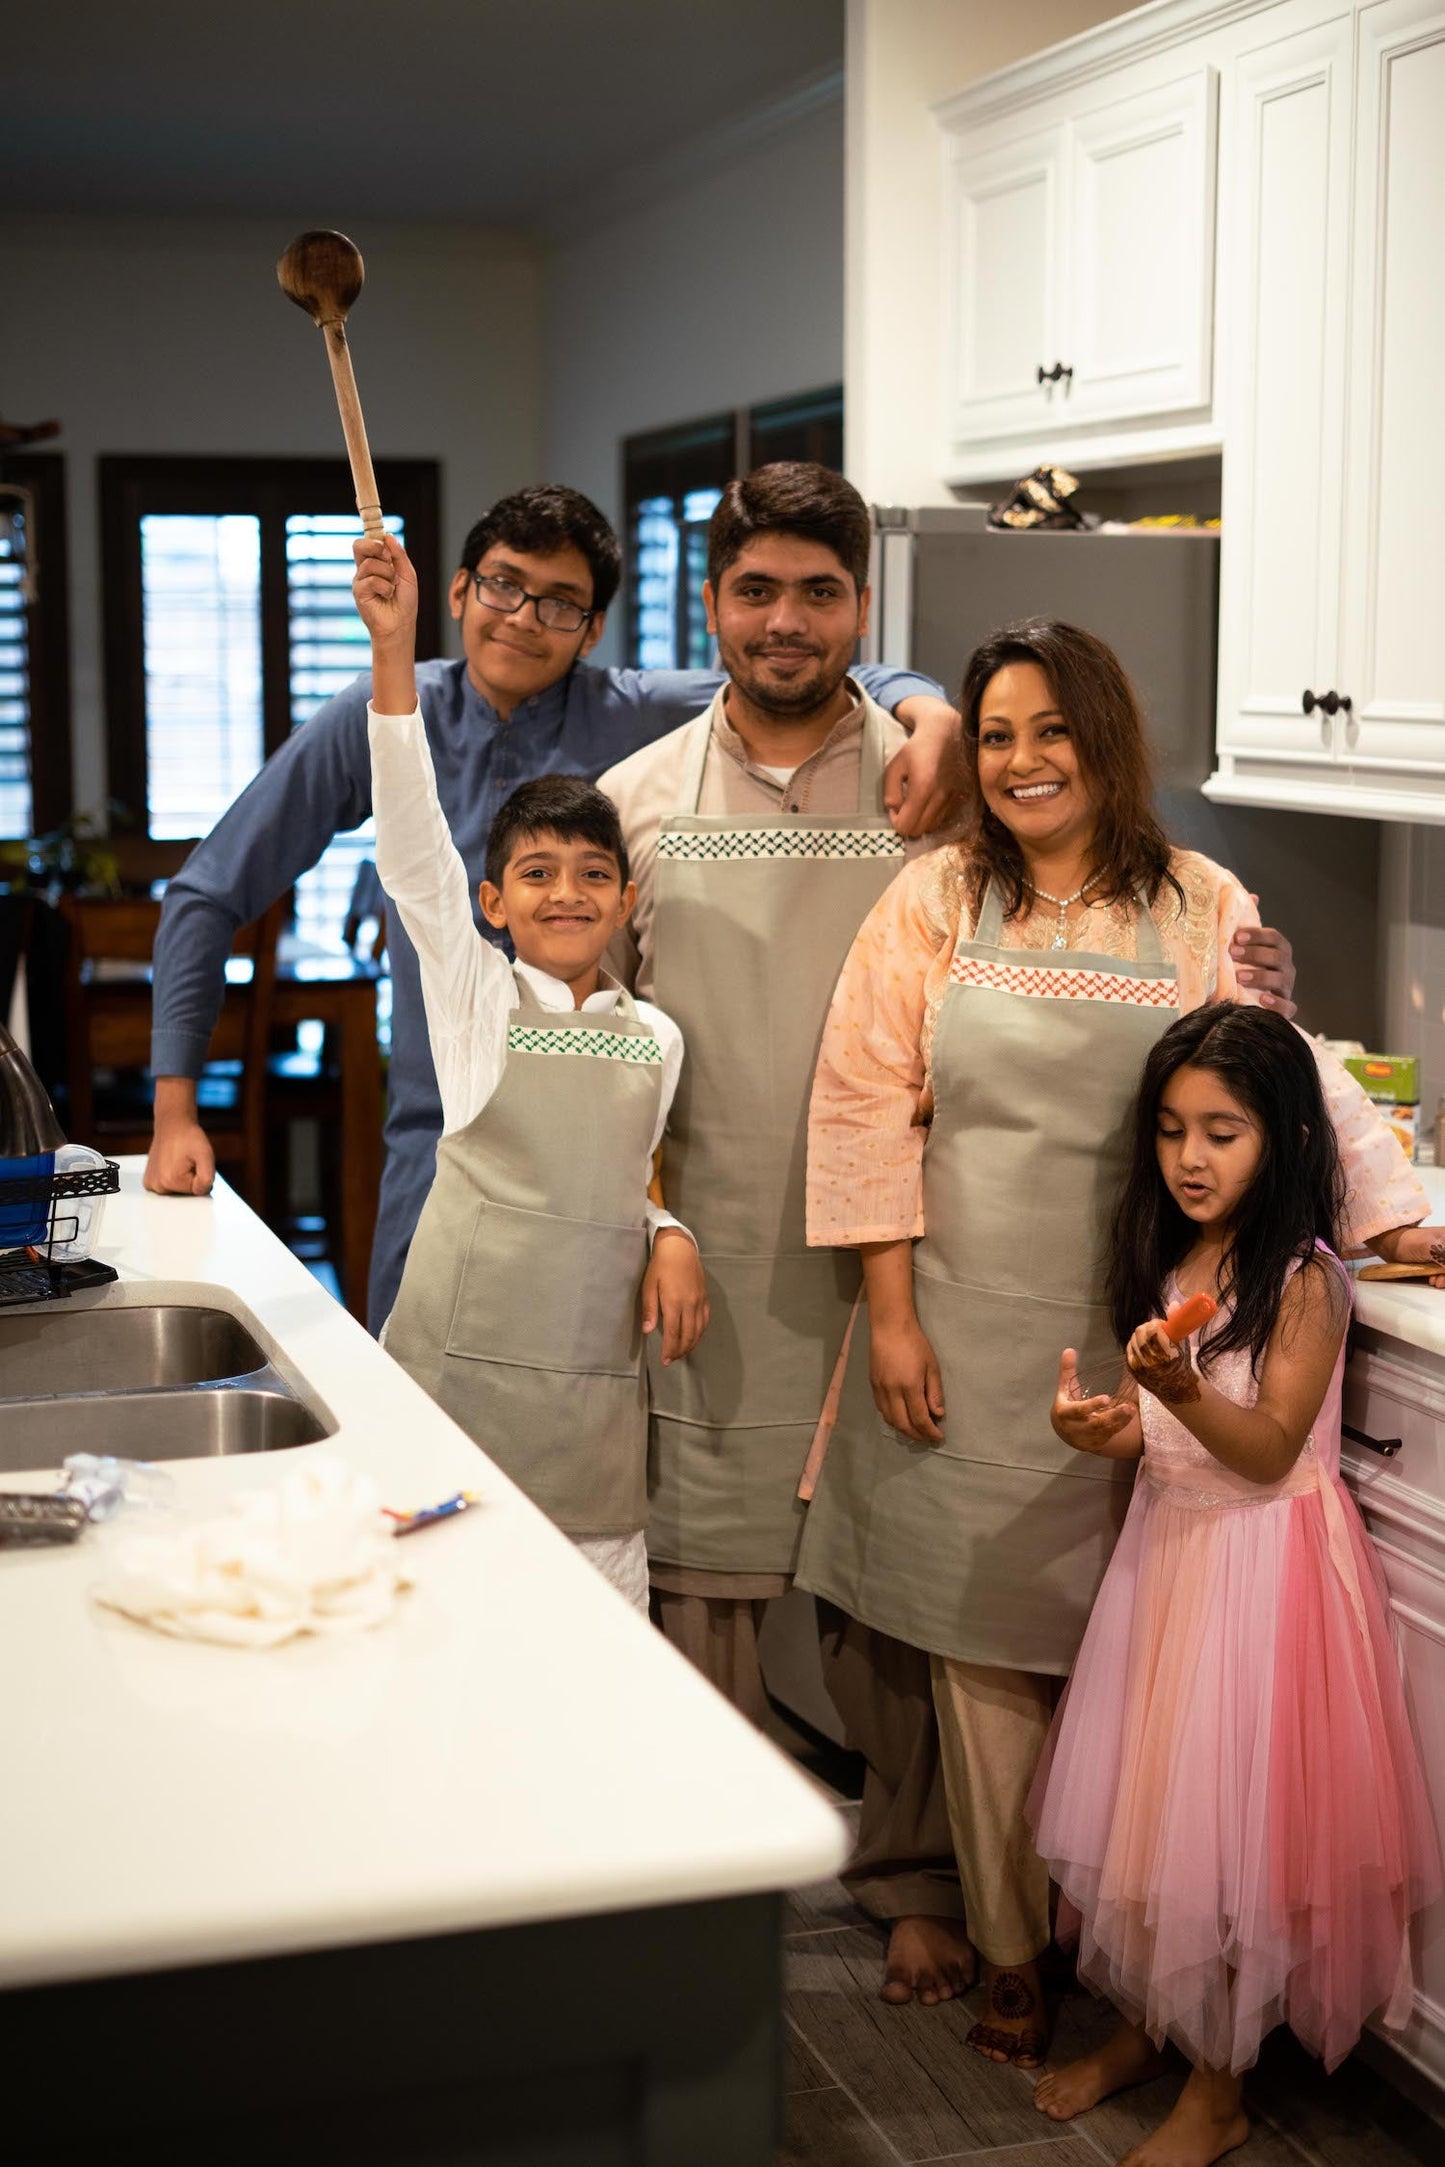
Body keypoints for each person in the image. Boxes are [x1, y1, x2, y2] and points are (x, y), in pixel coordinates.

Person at [800, 618, 1434, 2063]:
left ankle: (1131, 1958)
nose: (1021, 760)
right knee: (980, 1646)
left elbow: (1284, 1078)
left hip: (1160, 1336)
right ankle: (1014, 1947)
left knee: (1135, 1652)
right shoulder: (930, 903)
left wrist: (1392, 1217)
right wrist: (889, 1314)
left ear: (1105, 738)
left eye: (1050, 729)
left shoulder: (1205, 901)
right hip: (961, 1317)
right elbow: (857, 1104)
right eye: (998, 732)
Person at [143, 483, 959, 1327]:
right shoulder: (381, 714)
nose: (525, 618)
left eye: (561, 603)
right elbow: (209, 891)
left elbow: (806, 662)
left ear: (594, 628)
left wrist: (928, 714)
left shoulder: (636, 714)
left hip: (601, 1144)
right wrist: (175, 1111)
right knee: (410, 1388)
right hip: (440, 1130)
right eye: (503, 585)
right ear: (458, 590)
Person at [1031, 1003, 1440, 2167]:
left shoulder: (1305, 1279)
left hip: (1263, 1589)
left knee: (1230, 1852)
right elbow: (1163, 1439)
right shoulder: (1177, 1255)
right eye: (1169, 1131)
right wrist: (1097, 1428)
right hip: (1167, 1561)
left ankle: (1218, 2089)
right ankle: (1149, 2026)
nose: (1189, 1158)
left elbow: (1261, 1448)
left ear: (1287, 1142)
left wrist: (1173, 1391)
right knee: (1152, 1826)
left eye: (1221, 1132)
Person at [354, 529, 708, 1608]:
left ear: (623, 898)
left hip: (589, 1410)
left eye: (593, 872)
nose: (568, 892)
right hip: (456, 1386)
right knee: (445, 1632)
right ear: (492, 904)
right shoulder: (473, 1000)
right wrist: (394, 647)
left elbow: (623, 1183)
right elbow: (413, 843)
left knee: (593, 1654)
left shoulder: (656, 1037)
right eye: (537, 873)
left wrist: (672, 1234)